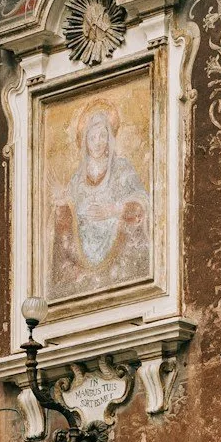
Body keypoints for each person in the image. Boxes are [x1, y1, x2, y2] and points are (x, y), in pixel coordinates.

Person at [48, 99, 149, 299]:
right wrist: (63, 202)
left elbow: (142, 201)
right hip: (83, 240)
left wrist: (112, 210)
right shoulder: (77, 178)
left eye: (103, 135)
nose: (98, 142)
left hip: (116, 233)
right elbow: (72, 210)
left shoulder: (122, 167)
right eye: (92, 137)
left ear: (110, 139)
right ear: (85, 142)